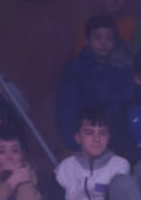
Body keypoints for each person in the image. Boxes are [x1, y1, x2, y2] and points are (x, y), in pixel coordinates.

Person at [55, 15, 135, 152]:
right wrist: (75, 142)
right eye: (97, 38)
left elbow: (128, 101)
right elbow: (66, 109)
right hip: (86, 139)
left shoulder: (125, 68)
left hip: (118, 138)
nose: (103, 43)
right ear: (87, 40)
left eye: (109, 38)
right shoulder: (75, 69)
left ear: (116, 41)